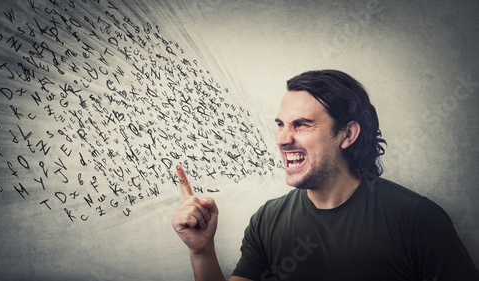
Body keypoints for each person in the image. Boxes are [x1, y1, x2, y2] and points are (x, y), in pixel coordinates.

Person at [171, 70, 479, 280]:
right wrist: (201, 251)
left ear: (347, 134)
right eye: (281, 124)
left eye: (301, 125)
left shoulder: (417, 219)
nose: (282, 139)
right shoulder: (267, 220)